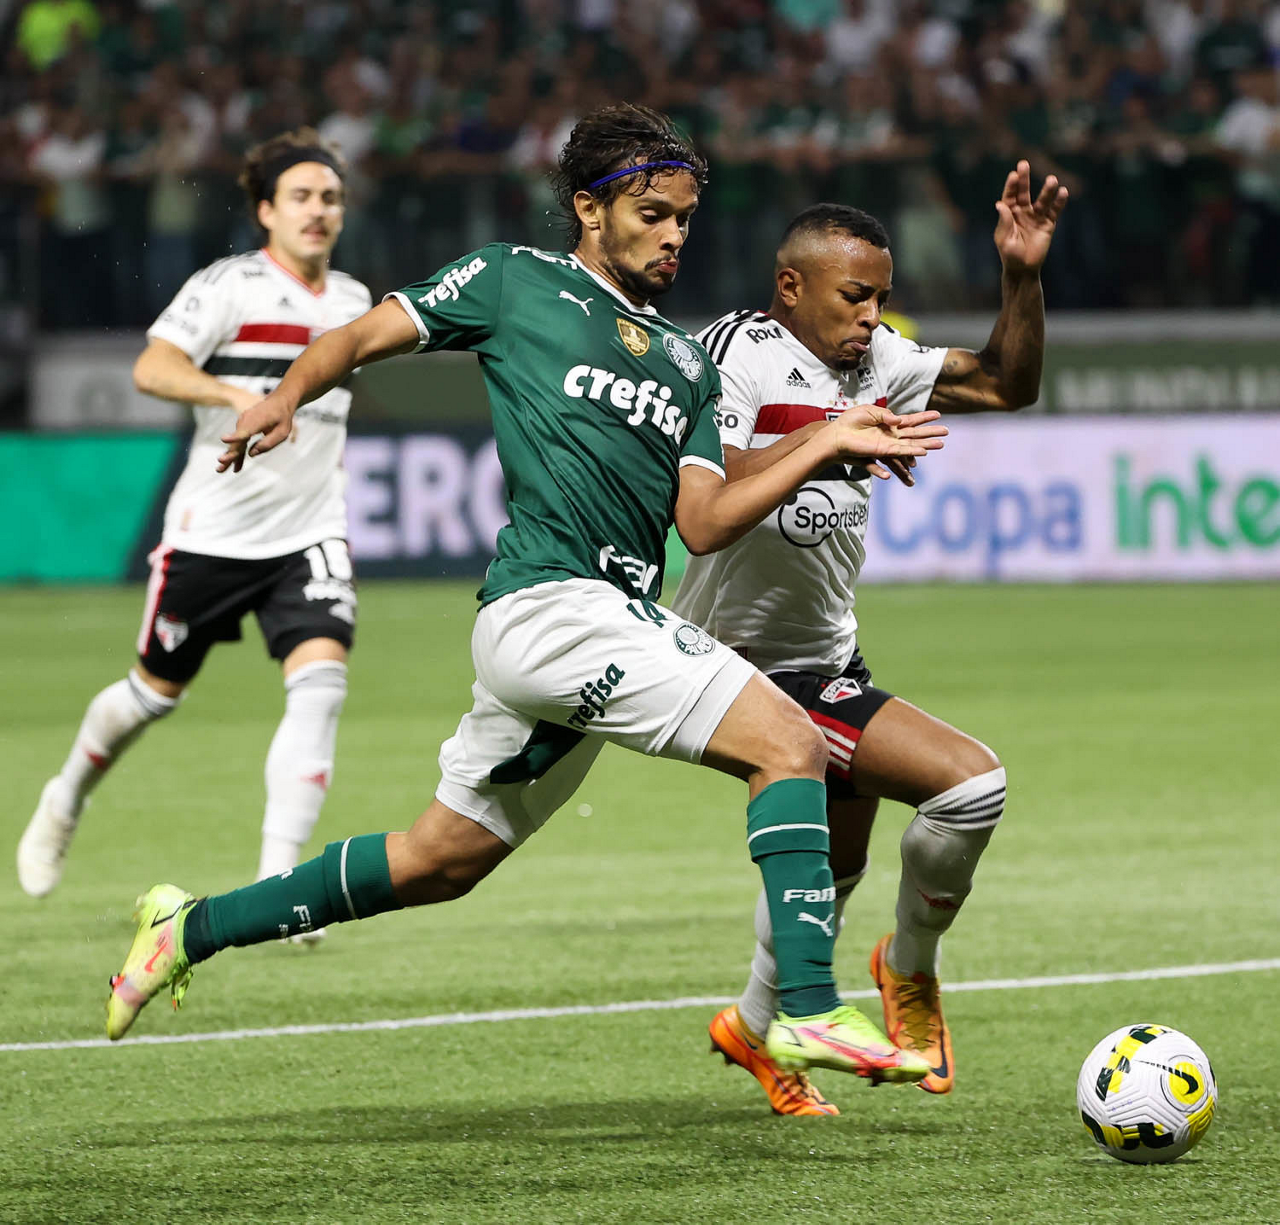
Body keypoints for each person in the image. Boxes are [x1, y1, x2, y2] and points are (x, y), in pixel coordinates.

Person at [103, 105, 946, 1089]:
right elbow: (363, 332)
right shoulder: (514, 281)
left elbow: (706, 522)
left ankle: (186, 926)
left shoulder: (686, 366)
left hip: (602, 627)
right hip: (550, 606)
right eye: (651, 213)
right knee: (790, 741)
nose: (673, 234)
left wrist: (822, 440)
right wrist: (285, 393)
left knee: (440, 860)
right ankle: (802, 1007)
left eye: (683, 217)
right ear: (589, 209)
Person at [675, 162, 1067, 1114]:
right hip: (736, 663)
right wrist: (829, 440)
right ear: (791, 285)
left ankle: (755, 1026)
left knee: (834, 867)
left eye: (882, 298)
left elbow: (1007, 384)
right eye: (855, 295)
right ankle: (910, 967)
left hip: (826, 656)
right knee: (971, 786)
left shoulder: (880, 360)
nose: (872, 316)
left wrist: (1019, 275)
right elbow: (711, 497)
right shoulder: (738, 350)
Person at [19, 129, 371, 946]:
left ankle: (279, 884)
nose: (318, 211)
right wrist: (236, 396)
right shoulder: (229, 286)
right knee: (152, 695)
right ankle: (65, 795)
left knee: (321, 686)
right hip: (214, 532)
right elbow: (152, 367)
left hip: (311, 530)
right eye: (301, 197)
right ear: (265, 211)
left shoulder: (355, 300)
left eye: (330, 198)